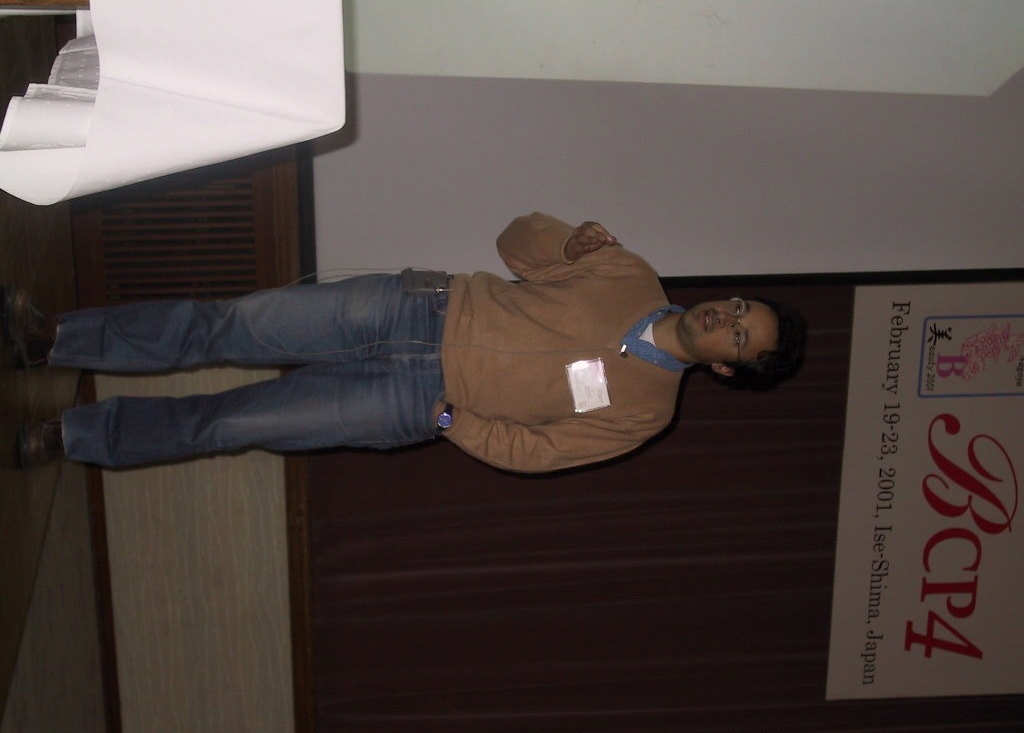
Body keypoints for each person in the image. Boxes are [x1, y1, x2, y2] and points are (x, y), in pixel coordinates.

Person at [5, 212, 805, 472]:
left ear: (728, 367)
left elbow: (538, 452)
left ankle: (72, 437)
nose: (724, 317)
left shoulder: (646, 414)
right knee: (224, 325)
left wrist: (453, 421)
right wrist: (566, 244)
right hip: (411, 309)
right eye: (737, 306)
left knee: (230, 422)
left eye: (739, 334)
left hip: (412, 400)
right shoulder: (630, 273)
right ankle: (54, 338)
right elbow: (514, 240)